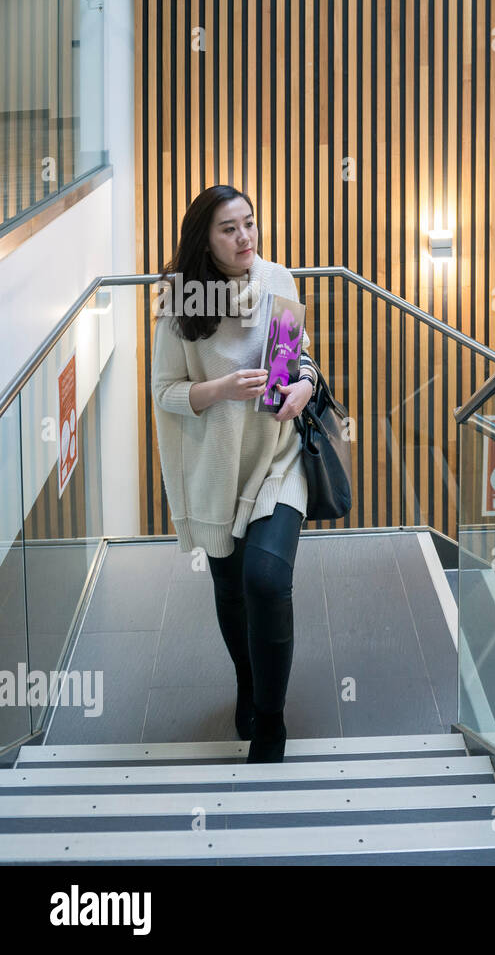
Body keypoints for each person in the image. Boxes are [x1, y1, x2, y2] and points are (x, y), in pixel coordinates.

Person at [149, 184, 318, 764]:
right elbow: (164, 392)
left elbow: (301, 358)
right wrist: (220, 389)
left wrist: (302, 385)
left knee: (267, 581)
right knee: (232, 591)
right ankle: (248, 682)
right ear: (205, 238)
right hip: (216, 470)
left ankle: (270, 719)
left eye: (249, 223)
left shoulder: (277, 280)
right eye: (229, 228)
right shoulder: (180, 301)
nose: (245, 237)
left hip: (278, 455)